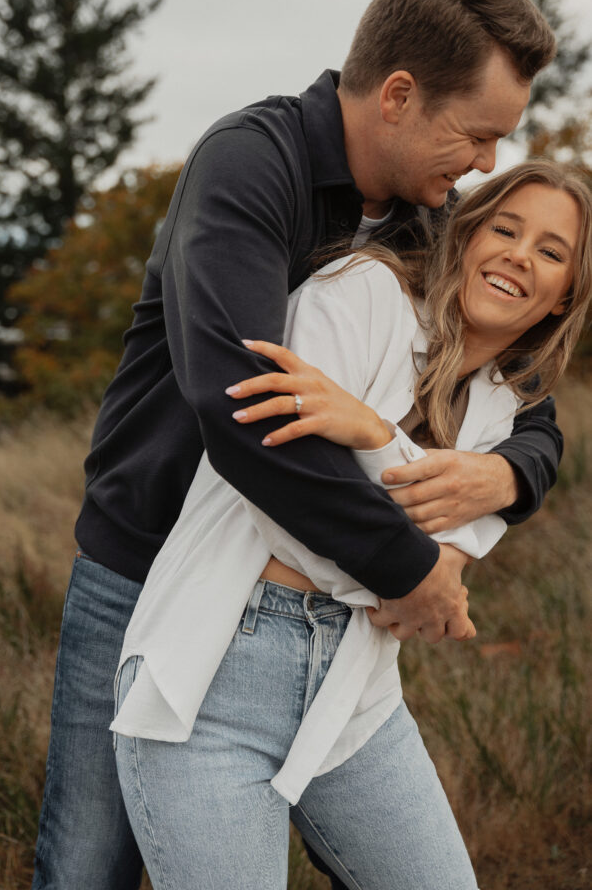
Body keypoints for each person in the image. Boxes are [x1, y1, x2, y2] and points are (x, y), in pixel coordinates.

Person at [31, 0, 559, 890]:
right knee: (87, 868)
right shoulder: (250, 164)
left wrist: (515, 470)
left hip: (314, 612)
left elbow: (515, 379)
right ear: (399, 94)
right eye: (478, 135)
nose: (484, 165)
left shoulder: (419, 218)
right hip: (145, 561)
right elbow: (241, 413)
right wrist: (409, 571)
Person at [111, 160, 592, 890]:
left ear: (563, 298)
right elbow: (289, 502)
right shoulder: (363, 293)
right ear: (467, 236)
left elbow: (442, 562)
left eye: (552, 252)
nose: (520, 255)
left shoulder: (506, 408)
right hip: (213, 679)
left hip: (356, 692)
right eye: (506, 228)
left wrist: (369, 435)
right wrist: (403, 573)